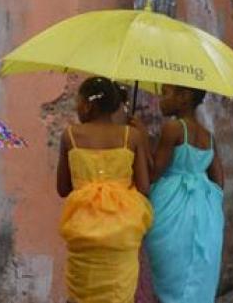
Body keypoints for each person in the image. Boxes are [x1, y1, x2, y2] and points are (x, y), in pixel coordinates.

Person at [57, 76, 153, 303]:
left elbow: (62, 188)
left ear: (88, 105)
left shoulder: (70, 135)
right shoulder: (132, 136)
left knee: (83, 296)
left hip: (83, 231)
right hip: (122, 235)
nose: (76, 108)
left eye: (77, 102)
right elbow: (145, 188)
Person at [143, 85, 224, 303]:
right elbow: (219, 181)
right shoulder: (208, 136)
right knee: (197, 272)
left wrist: (141, 139)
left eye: (166, 93)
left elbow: (154, 172)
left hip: (171, 206)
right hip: (205, 210)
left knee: (172, 276)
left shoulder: (173, 128)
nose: (161, 99)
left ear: (184, 98)